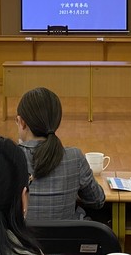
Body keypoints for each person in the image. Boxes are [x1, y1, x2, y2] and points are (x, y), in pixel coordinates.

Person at [16, 87, 105, 221]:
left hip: (18, 235)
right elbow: (97, 200)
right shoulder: (74, 157)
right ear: (56, 121)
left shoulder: (6, 158)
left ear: (21, 122)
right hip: (66, 235)